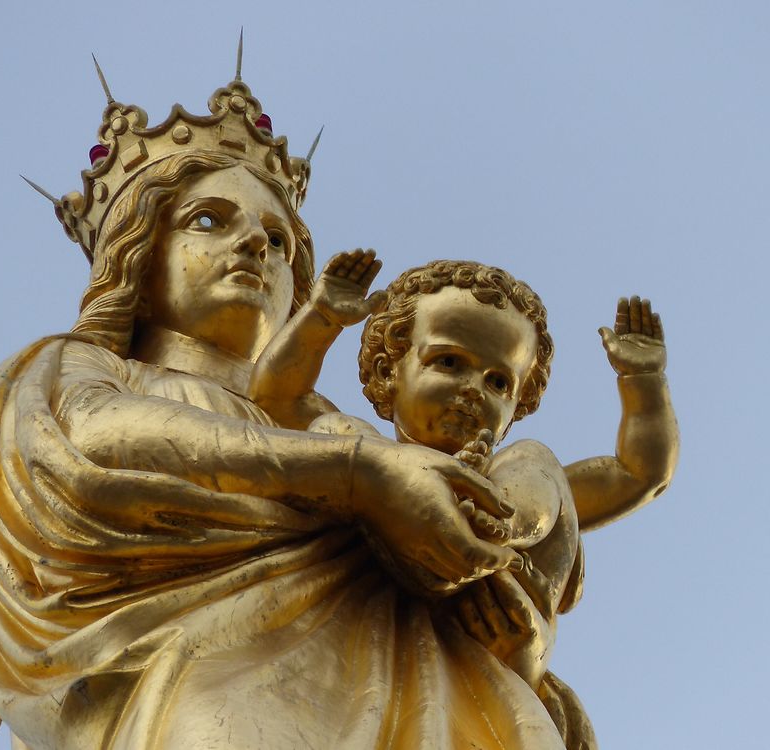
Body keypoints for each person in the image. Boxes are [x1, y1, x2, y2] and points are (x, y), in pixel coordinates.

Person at [0, 77, 577, 750]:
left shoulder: (314, 419)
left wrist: (493, 605)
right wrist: (359, 476)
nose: (257, 247)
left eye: (278, 240)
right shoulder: (80, 368)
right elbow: (86, 442)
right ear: (141, 257)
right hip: (206, 675)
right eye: (209, 220)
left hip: (412, 679)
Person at [251, 253, 679, 747]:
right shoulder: (362, 445)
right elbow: (276, 398)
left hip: (499, 629)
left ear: (517, 404)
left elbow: (639, 472)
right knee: (335, 433)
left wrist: (642, 382)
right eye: (450, 362)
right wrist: (321, 317)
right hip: (366, 615)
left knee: (533, 458)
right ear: (391, 370)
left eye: (499, 382)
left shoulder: (519, 465)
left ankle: (491, 518)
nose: (474, 389)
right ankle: (456, 518)